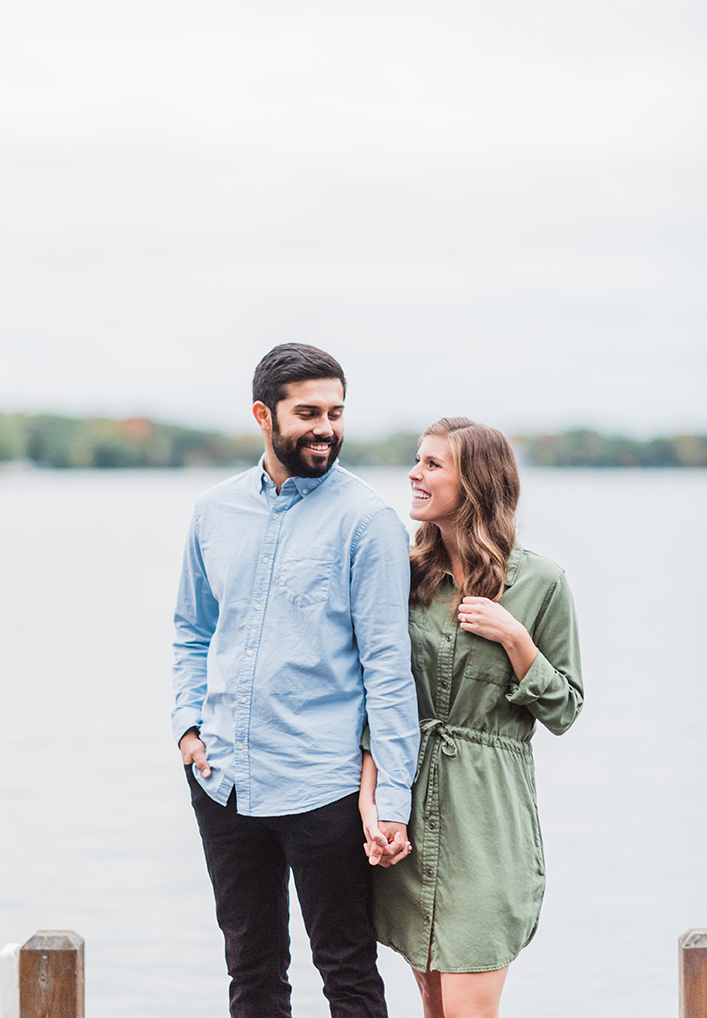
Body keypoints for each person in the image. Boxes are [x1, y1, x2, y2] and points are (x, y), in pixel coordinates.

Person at [173, 343, 420, 1018]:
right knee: (250, 975)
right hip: (221, 780)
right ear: (264, 415)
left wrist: (392, 798)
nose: (326, 428)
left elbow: (388, 671)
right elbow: (192, 633)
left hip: (324, 788)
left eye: (336, 412)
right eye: (307, 412)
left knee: (346, 973)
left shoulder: (367, 523)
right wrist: (188, 733)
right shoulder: (213, 512)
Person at [359, 417, 584, 1018]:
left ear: (476, 482)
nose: (414, 473)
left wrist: (516, 641)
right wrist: (372, 803)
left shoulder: (541, 582)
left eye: (433, 464)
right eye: (417, 459)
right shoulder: (403, 575)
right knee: (432, 1005)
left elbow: (564, 710)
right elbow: (375, 697)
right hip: (407, 810)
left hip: (488, 819)